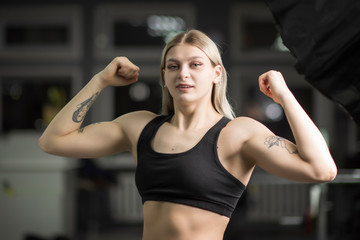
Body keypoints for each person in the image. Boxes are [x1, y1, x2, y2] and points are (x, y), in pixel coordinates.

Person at [38, 29, 337, 240]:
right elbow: (53, 141)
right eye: (173, 66)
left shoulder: (238, 133)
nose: (183, 73)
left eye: (195, 65)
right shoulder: (140, 127)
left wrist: (284, 96)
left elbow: (322, 169)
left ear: (216, 73)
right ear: (164, 76)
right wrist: (99, 80)